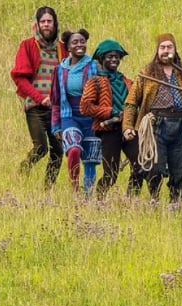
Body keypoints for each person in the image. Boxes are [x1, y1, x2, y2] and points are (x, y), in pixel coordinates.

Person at [122, 33, 182, 208]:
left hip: (180, 125)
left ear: (175, 50)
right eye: (163, 48)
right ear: (157, 51)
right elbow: (131, 102)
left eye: (169, 47)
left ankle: (176, 203)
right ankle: (154, 201)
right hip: (155, 125)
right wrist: (128, 126)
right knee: (154, 168)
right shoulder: (147, 73)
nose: (166, 51)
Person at [11, 6, 68, 189]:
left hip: (56, 109)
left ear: (55, 23)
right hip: (35, 106)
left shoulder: (62, 49)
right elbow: (20, 78)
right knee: (41, 147)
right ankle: (21, 174)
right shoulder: (28, 45)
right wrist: (40, 97)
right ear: (37, 24)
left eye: (49, 21)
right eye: (42, 21)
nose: (46, 25)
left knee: (58, 151)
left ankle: (47, 190)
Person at [80, 39, 145, 199]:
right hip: (108, 131)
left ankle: (131, 201)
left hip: (129, 129)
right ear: (102, 59)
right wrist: (112, 112)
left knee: (141, 166)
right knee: (111, 172)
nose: (114, 60)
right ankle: (99, 201)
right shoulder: (94, 82)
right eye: (109, 56)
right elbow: (85, 107)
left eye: (116, 56)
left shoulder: (128, 81)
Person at [51, 29, 100, 197]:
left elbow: (105, 91)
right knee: (73, 150)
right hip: (69, 116)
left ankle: (88, 196)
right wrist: (56, 125)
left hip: (91, 118)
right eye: (75, 42)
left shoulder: (94, 65)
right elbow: (56, 100)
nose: (79, 45)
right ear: (68, 47)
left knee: (90, 159)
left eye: (82, 42)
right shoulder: (60, 69)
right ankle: (75, 188)